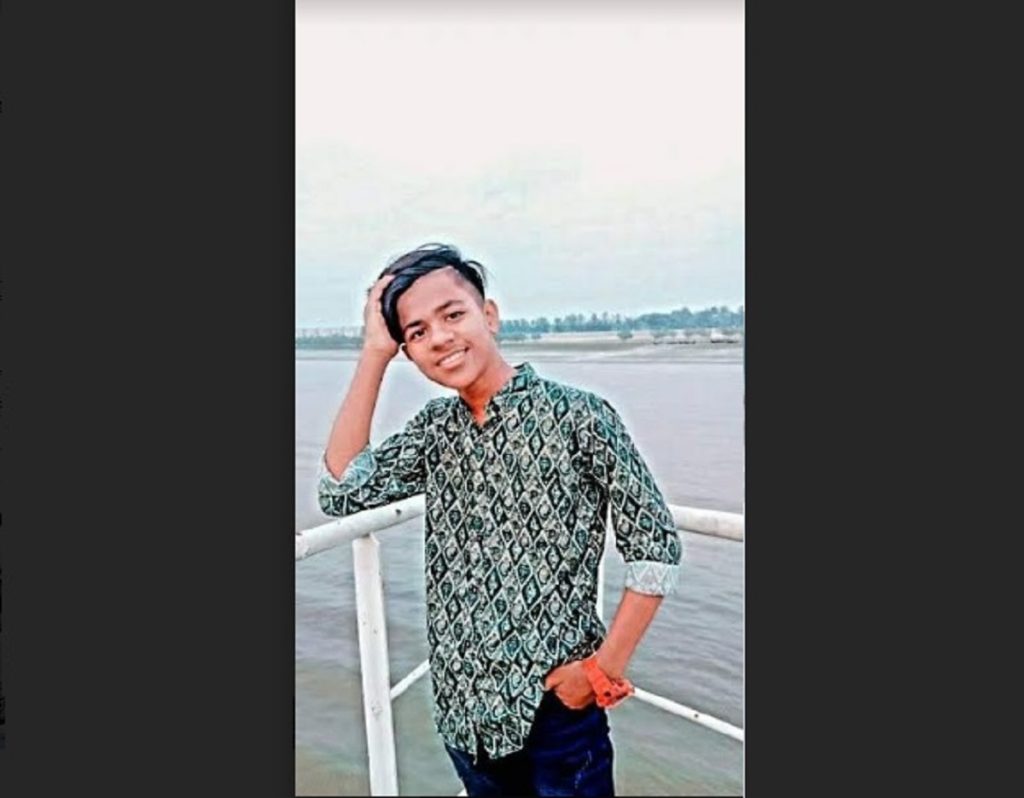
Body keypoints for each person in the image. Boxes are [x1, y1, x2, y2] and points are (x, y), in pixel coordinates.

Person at [318, 244, 682, 796]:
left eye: (453, 314)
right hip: (463, 712)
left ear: (489, 315)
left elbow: (655, 546)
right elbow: (343, 490)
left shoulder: (579, 416)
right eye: (416, 332)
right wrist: (373, 354)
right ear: (408, 352)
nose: (440, 337)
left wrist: (600, 672)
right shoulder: (436, 428)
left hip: (554, 714)